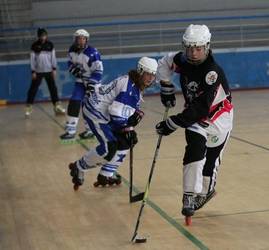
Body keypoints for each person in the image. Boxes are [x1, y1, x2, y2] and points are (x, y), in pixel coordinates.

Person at [155, 24, 233, 218]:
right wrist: (166, 87)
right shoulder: (182, 60)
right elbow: (164, 63)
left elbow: (202, 108)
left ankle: (206, 192)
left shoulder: (211, 72)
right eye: (189, 48)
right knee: (195, 147)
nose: (193, 53)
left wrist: (173, 123)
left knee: (210, 164)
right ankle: (189, 195)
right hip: (194, 117)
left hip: (218, 118)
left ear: (206, 47)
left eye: (198, 48)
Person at [68, 57, 158, 190]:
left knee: (126, 141)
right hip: (95, 112)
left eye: (153, 74)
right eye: (148, 74)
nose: (151, 78)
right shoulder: (130, 89)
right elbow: (116, 114)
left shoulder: (133, 82)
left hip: (105, 112)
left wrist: (129, 128)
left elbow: (121, 113)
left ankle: (106, 174)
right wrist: (128, 128)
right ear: (140, 71)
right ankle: (78, 167)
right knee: (109, 148)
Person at [60, 29, 103, 140]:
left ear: (86, 40)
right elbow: (70, 63)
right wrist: (74, 70)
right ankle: (70, 131)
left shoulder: (93, 53)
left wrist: (91, 85)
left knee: (88, 107)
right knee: (74, 102)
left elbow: (98, 71)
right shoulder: (72, 50)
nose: (80, 41)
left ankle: (91, 131)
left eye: (82, 38)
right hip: (80, 82)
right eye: (78, 38)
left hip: (93, 83)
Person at [25, 28, 65, 117]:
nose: (43, 37)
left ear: (46, 36)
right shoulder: (34, 46)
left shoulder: (50, 45)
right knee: (33, 89)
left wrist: (54, 69)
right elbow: (32, 59)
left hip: (48, 71)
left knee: (53, 89)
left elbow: (53, 57)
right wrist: (33, 71)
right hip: (38, 72)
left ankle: (57, 106)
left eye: (44, 35)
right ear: (39, 36)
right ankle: (29, 106)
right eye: (41, 36)